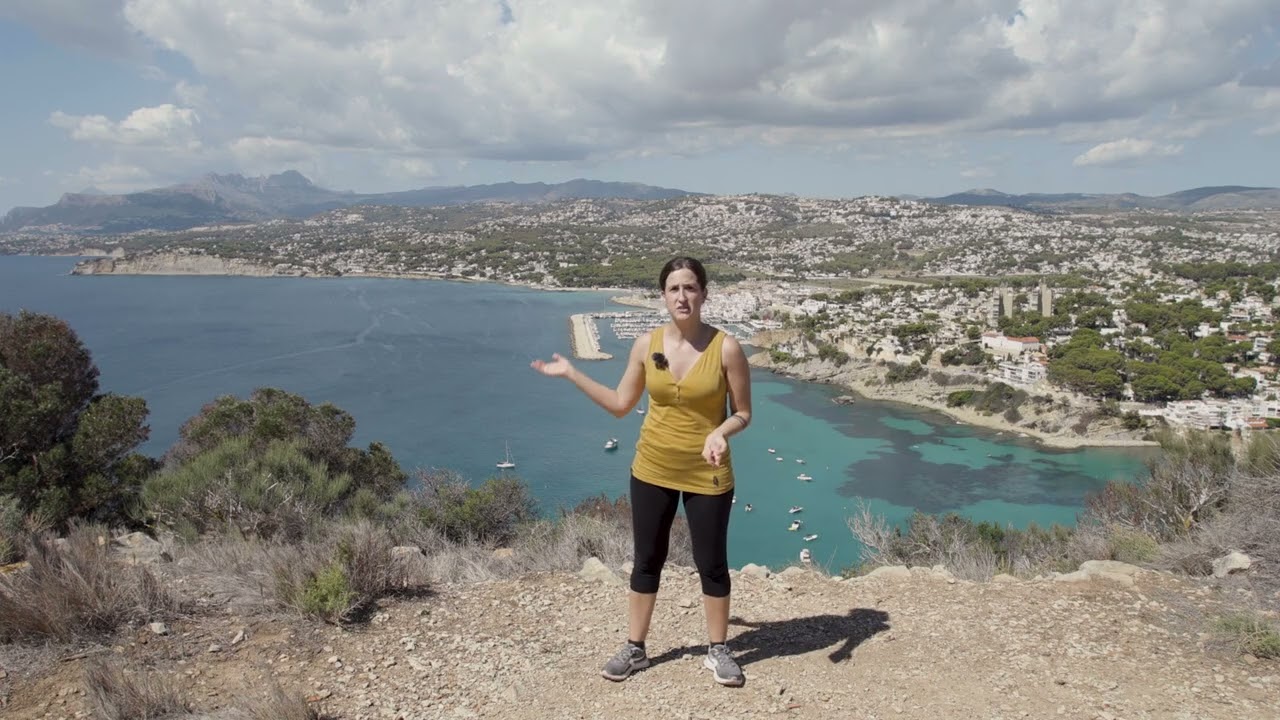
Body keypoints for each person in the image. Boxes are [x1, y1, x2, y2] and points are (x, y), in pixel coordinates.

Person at [531, 256, 753, 687]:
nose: (682, 296)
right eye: (674, 289)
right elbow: (619, 404)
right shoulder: (645, 345)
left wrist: (722, 432)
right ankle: (635, 648)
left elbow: (743, 412)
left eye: (690, 288)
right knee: (646, 560)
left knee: (712, 564)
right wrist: (572, 373)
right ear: (663, 296)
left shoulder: (727, 348)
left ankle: (718, 649)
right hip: (651, 467)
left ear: (704, 294)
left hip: (707, 472)